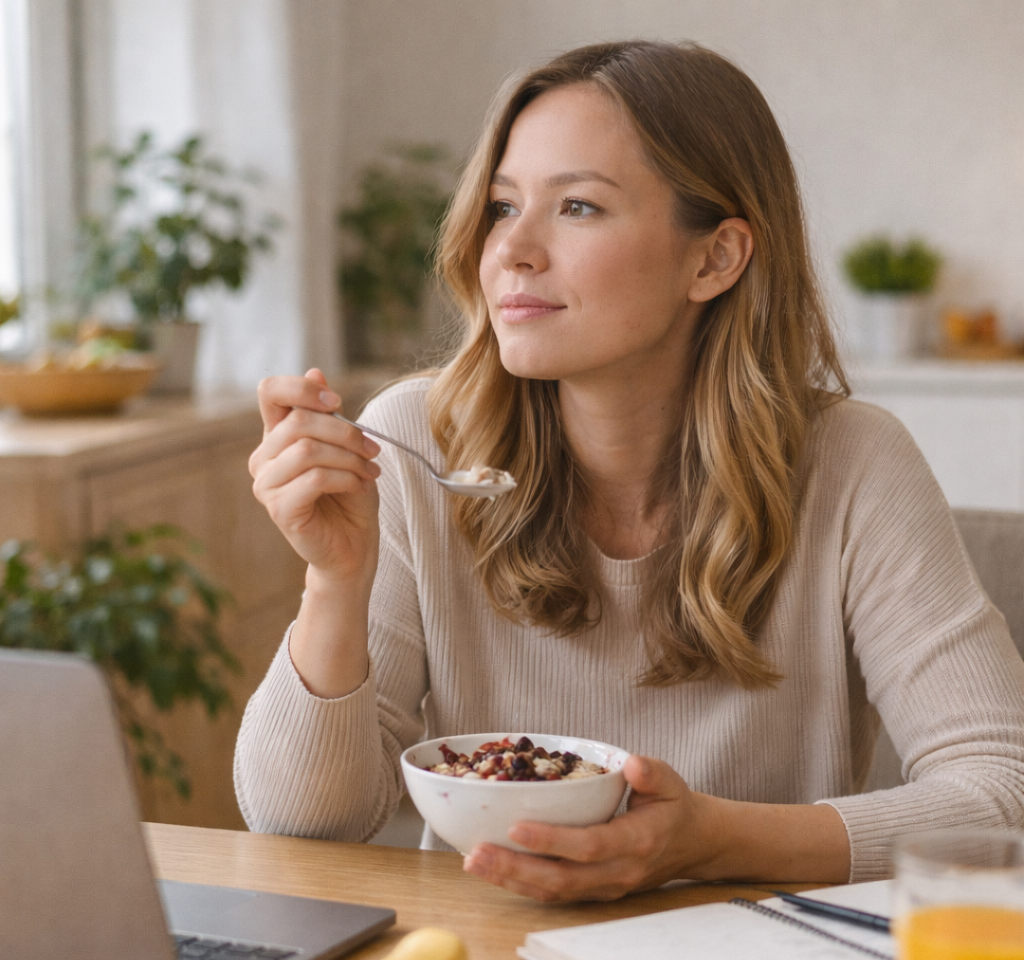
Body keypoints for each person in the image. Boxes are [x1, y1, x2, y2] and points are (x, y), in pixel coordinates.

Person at [236, 40, 1024, 902]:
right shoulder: (416, 443)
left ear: (715, 258)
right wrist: (334, 581)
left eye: (577, 207)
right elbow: (301, 821)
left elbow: (1001, 795)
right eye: (502, 207)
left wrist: (705, 839)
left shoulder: (855, 465)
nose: (512, 252)